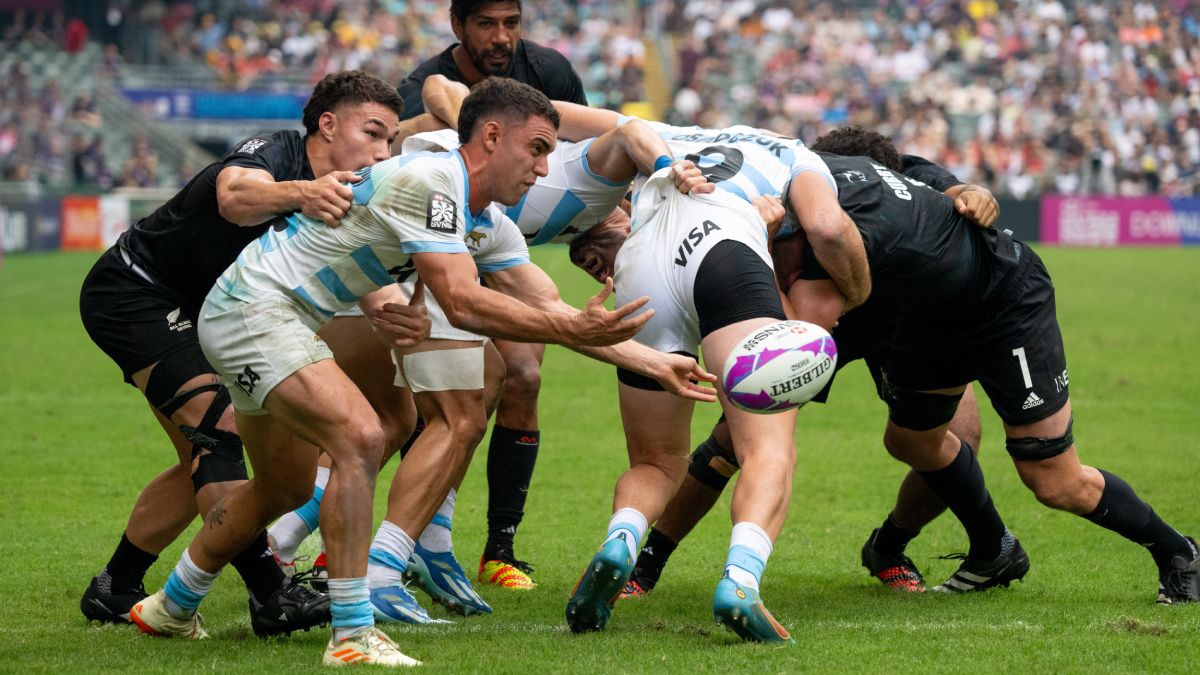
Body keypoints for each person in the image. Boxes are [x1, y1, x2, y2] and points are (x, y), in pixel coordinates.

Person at [127, 78, 656, 667]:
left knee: (285, 486)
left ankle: (170, 608)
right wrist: (570, 330)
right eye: (536, 148)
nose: (544, 165)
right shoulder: (432, 182)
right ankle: (353, 633)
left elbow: (555, 310)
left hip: (263, 315)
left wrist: (667, 366)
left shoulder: (486, 220)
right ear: (490, 136)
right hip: (255, 310)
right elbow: (460, 300)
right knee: (361, 438)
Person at [77, 70, 409, 637]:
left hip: (214, 317)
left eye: (389, 141)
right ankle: (269, 592)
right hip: (137, 291)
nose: (381, 152)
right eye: (372, 133)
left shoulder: (349, 193)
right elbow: (234, 198)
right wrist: (305, 192)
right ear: (327, 125)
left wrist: (390, 305)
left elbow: (352, 264)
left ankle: (116, 585)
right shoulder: (275, 152)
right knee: (219, 429)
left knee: (203, 454)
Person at [600, 146, 1001, 597]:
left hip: (904, 320)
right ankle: (649, 562)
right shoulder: (799, 189)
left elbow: (952, 188)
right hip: (826, 307)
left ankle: (889, 546)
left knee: (958, 440)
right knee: (735, 439)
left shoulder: (898, 175)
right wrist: (767, 245)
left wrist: (974, 190)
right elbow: (799, 325)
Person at [547, 107, 868, 644]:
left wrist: (667, 161)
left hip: (643, 263)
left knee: (656, 460)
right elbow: (827, 227)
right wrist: (857, 293)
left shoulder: (670, 131)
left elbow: (600, 124)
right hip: (724, 246)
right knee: (767, 448)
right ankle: (741, 582)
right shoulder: (798, 155)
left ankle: (621, 538)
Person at [395, 1, 589, 590]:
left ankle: (498, 548)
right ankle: (405, 544)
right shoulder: (424, 84)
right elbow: (408, 147)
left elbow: (580, 160)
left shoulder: (549, 71)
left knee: (522, 374)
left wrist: (601, 224)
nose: (501, 36)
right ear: (458, 27)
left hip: (502, 243)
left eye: (511, 22)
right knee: (424, 407)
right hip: (436, 246)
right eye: (486, 24)